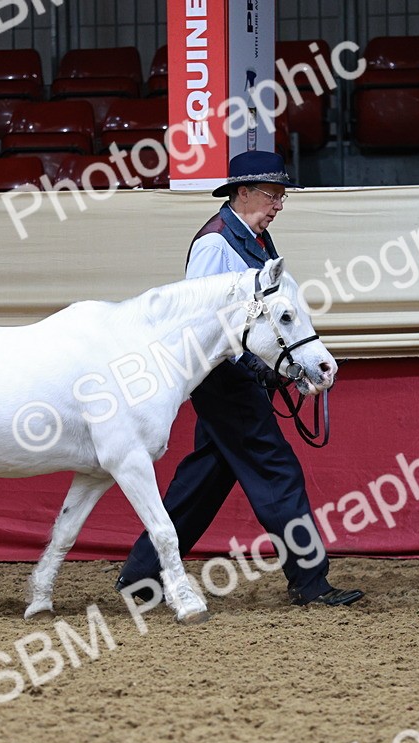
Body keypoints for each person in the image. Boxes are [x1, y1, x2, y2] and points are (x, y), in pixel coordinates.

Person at [115, 151, 364, 607]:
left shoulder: (256, 239)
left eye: (282, 197)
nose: (279, 205)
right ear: (243, 192)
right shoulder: (215, 244)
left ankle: (141, 576)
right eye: (273, 195)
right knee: (277, 470)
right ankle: (310, 581)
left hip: (237, 377)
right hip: (223, 380)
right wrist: (255, 368)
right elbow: (201, 322)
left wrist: (283, 365)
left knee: (204, 480)